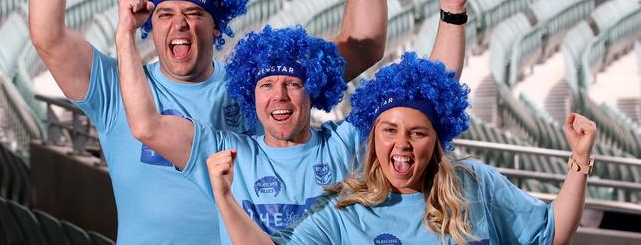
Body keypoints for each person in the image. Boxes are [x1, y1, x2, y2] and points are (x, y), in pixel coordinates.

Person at [29, 0, 390, 245]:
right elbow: (48, 36)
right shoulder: (118, 85)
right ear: (148, 25)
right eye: (165, 14)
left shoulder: (260, 86)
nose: (179, 24)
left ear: (217, 27)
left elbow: (365, 46)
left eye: (194, 13)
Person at [117, 0, 471, 244]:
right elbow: (146, 126)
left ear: (313, 91)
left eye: (293, 84)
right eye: (266, 85)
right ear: (250, 95)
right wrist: (126, 35)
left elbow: (431, 91)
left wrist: (452, 12)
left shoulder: (345, 144)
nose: (279, 96)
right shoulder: (226, 153)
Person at [207, 52, 597, 245]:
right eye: (389, 130)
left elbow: (551, 232)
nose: (402, 145)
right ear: (372, 138)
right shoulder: (343, 210)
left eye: (418, 133)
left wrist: (579, 162)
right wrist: (225, 198)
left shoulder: (476, 183)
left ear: (438, 139)